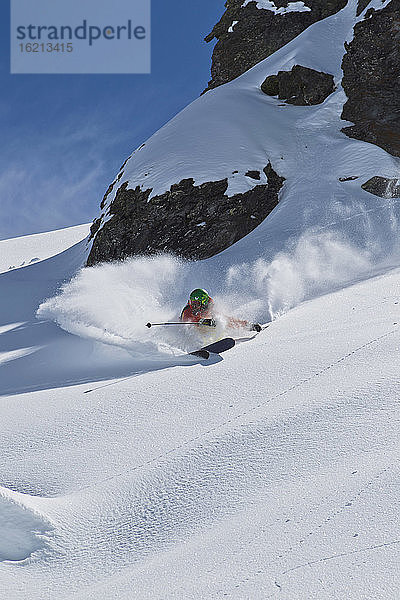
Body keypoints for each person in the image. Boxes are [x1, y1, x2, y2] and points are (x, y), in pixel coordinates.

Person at [180, 288, 262, 331]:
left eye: (197, 304)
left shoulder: (208, 306)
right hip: (191, 329)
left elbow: (226, 319)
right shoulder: (188, 311)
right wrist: (204, 321)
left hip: (205, 324)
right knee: (195, 328)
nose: (194, 306)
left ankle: (246, 326)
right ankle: (196, 345)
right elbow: (189, 321)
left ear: (204, 302)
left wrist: (249, 326)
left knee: (223, 320)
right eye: (192, 303)